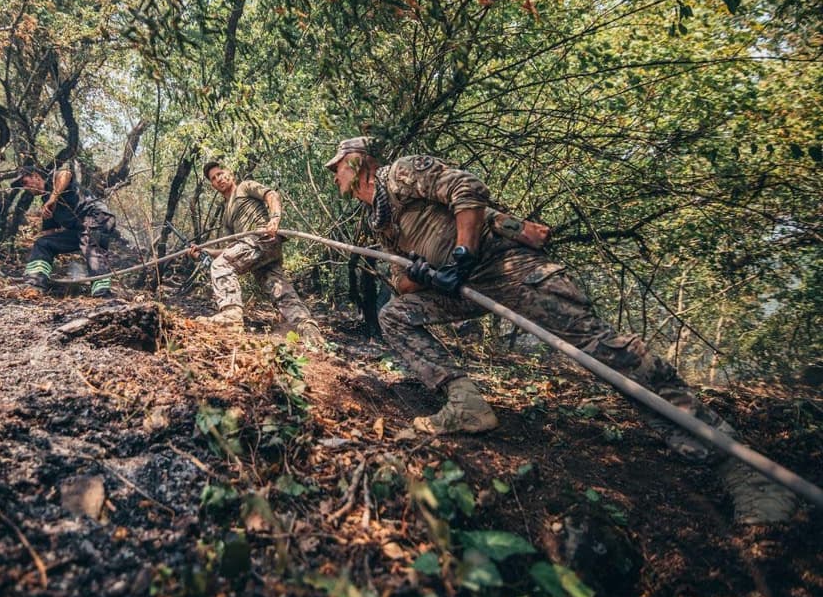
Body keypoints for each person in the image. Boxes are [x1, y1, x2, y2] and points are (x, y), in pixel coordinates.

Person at [325, 136, 797, 523]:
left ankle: (741, 466)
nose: (334, 176)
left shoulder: (402, 172)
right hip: (461, 286)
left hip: (505, 267)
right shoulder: (379, 218)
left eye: (337, 167)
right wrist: (423, 275)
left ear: (356, 162)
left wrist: (462, 256)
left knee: (602, 350)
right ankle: (465, 404)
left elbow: (467, 190)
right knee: (394, 315)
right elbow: (402, 280)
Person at [189, 161, 324, 346]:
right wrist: (205, 252)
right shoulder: (226, 215)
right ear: (212, 185)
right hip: (256, 253)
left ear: (230, 173)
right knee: (280, 291)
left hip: (261, 238)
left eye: (220, 173)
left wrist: (275, 219)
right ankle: (308, 329)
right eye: (213, 178)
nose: (218, 179)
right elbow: (232, 250)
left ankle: (231, 316)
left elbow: (271, 194)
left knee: (221, 264)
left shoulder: (245, 187)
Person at [11, 165, 116, 298]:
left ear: (36, 176)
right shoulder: (46, 204)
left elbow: (65, 173)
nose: (26, 188)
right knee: (43, 243)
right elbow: (49, 234)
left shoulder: (53, 181)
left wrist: (53, 198)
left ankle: (102, 294)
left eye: (25, 182)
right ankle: (35, 285)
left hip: (98, 217)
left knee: (90, 241)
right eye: (22, 186)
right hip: (80, 232)